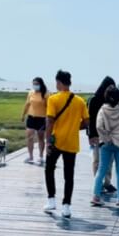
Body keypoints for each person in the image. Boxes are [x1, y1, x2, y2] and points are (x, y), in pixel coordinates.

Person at [43, 69, 89, 218]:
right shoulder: (80, 101)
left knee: (49, 169)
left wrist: (48, 140)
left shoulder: (53, 99)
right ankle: (66, 206)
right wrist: (74, 127)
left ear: (59, 82)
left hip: (56, 140)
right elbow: (86, 122)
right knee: (69, 175)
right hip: (72, 142)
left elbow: (49, 121)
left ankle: (51, 200)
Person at [88, 76, 117, 194]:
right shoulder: (94, 99)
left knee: (110, 161)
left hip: (110, 135)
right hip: (96, 134)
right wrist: (91, 135)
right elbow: (90, 119)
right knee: (97, 160)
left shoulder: (111, 100)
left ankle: (107, 182)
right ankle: (98, 183)